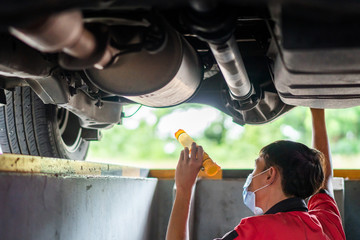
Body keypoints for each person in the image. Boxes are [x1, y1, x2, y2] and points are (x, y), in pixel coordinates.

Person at [166, 108, 346, 240]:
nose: (251, 176)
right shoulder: (327, 221)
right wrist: (317, 110)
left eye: (256, 168)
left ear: (270, 175)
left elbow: (324, 177)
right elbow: (325, 180)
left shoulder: (256, 231)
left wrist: (183, 188)